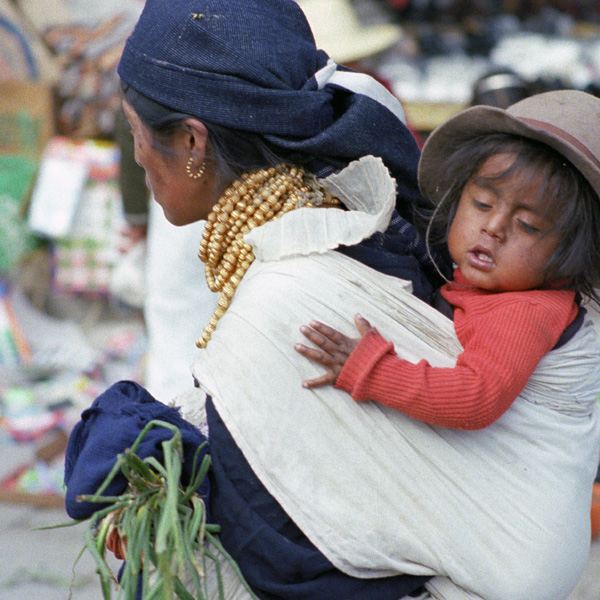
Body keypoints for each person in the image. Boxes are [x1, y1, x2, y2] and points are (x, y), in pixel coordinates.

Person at [62, 1, 600, 600]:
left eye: (136, 134)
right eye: (483, 205)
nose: (135, 157)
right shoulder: (351, 229)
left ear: (191, 140)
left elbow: (283, 561)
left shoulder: (296, 294)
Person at [295, 102, 600, 431]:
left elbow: (475, 400)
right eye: (482, 204)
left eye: (527, 225)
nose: (494, 227)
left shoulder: (524, 311)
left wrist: (370, 369)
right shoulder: (485, 283)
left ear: (571, 255)